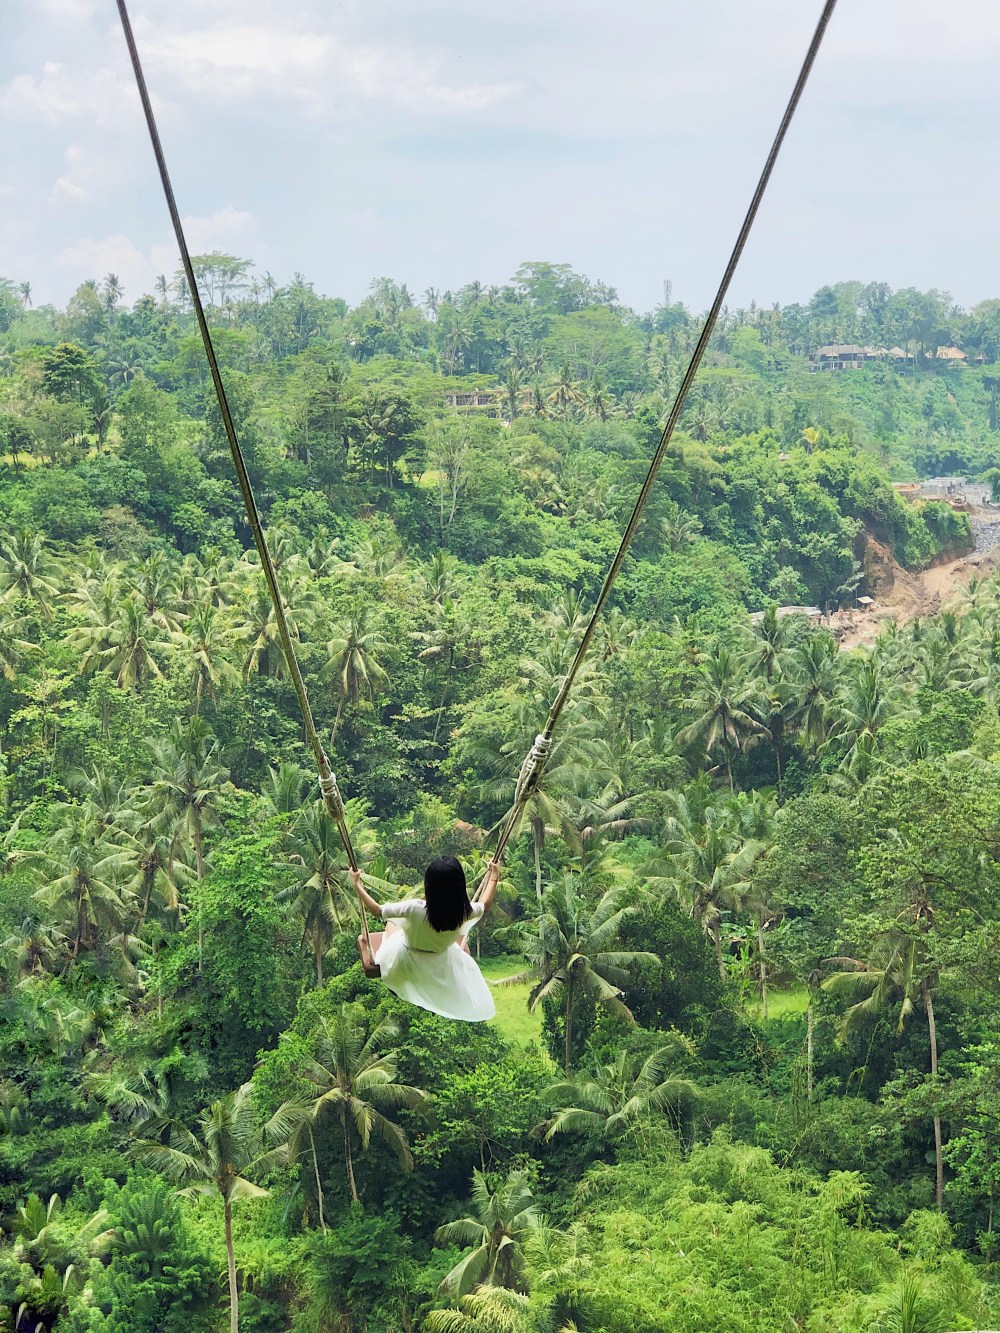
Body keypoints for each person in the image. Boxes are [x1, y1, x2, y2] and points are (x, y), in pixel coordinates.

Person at [348, 856, 501, 1022]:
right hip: (440, 959)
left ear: (429, 885)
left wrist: (356, 884)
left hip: (405, 960)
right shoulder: (466, 912)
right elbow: (485, 904)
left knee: (392, 922)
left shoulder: (414, 909)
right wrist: (494, 876)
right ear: (460, 886)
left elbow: (378, 911)